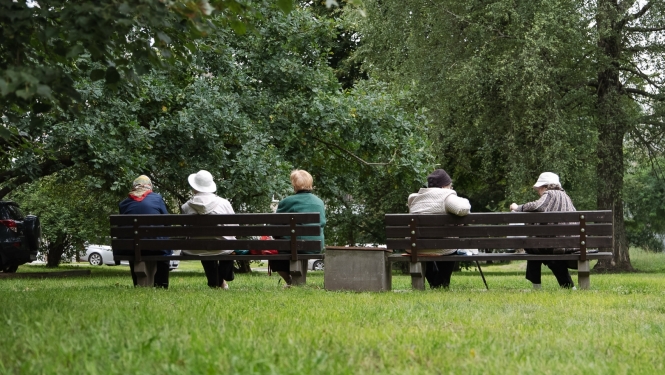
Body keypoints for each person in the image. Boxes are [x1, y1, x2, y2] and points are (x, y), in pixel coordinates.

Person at [509, 172, 576, 289]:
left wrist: (517, 207)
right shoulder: (566, 197)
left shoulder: (549, 193)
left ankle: (537, 287)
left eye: (538, 189)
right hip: (571, 244)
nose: (538, 192)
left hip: (557, 245)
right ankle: (568, 287)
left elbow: (537, 206)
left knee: (532, 248)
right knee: (548, 256)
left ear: (544, 186)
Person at [407, 169, 471, 289]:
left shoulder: (414, 198)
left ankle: (435, 282)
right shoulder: (446, 197)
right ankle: (442, 282)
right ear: (445, 186)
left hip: (417, 247)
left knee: (429, 246)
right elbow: (463, 209)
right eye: (450, 186)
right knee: (450, 246)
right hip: (443, 247)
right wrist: (457, 196)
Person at [270, 170, 326, 287]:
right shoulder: (319, 202)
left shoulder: (286, 202)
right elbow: (322, 223)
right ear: (310, 183)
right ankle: (296, 282)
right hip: (314, 246)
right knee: (297, 245)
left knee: (275, 255)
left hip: (289, 246)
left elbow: (275, 227)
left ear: (294, 185)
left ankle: (289, 281)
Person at [181, 170, 236, 289]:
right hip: (223, 248)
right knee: (224, 245)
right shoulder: (224, 203)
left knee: (204, 245)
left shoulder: (186, 207)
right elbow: (235, 227)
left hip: (196, 248)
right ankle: (224, 276)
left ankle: (216, 282)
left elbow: (185, 229)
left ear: (194, 187)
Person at [118, 175, 171, 288]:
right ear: (149, 187)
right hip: (157, 247)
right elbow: (167, 222)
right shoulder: (157, 199)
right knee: (164, 250)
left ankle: (137, 284)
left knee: (134, 245)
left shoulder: (124, 204)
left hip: (131, 248)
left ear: (134, 187)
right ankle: (161, 285)